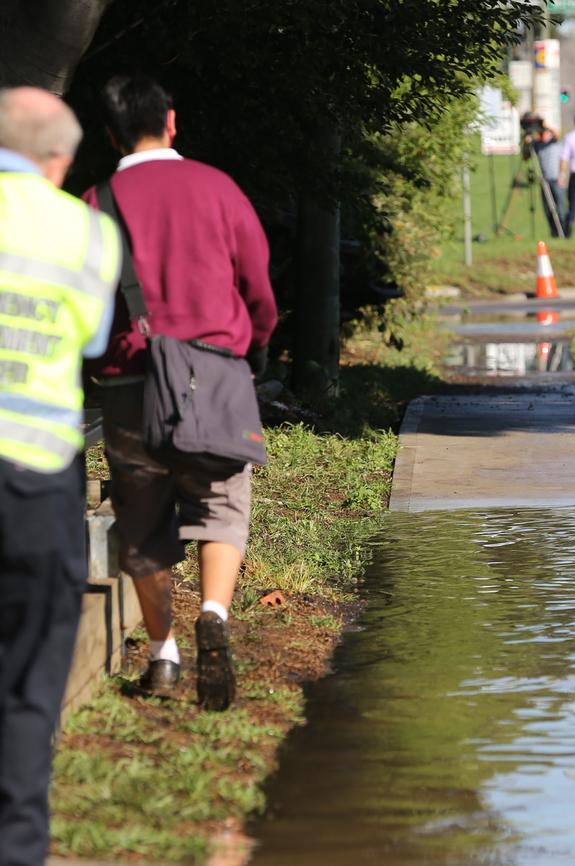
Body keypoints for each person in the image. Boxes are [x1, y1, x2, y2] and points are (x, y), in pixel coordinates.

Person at [83, 75, 278, 711]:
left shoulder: (97, 200)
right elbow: (258, 285)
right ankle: (214, 614)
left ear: (110, 133)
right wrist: (254, 345)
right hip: (214, 372)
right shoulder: (217, 188)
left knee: (141, 521)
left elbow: (85, 302)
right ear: (172, 121)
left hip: (130, 380)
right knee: (222, 500)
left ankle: (163, 656)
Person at [0, 88, 119, 866]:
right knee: (29, 690)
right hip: (34, 483)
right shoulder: (86, 233)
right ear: (62, 158)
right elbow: (92, 339)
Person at [523, 114, 565, 237]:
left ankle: (563, 231)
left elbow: (557, 134)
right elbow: (526, 157)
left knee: (560, 207)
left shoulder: (556, 142)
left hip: (557, 180)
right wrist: (527, 144)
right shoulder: (537, 145)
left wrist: (545, 126)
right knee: (548, 209)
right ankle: (553, 232)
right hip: (544, 181)